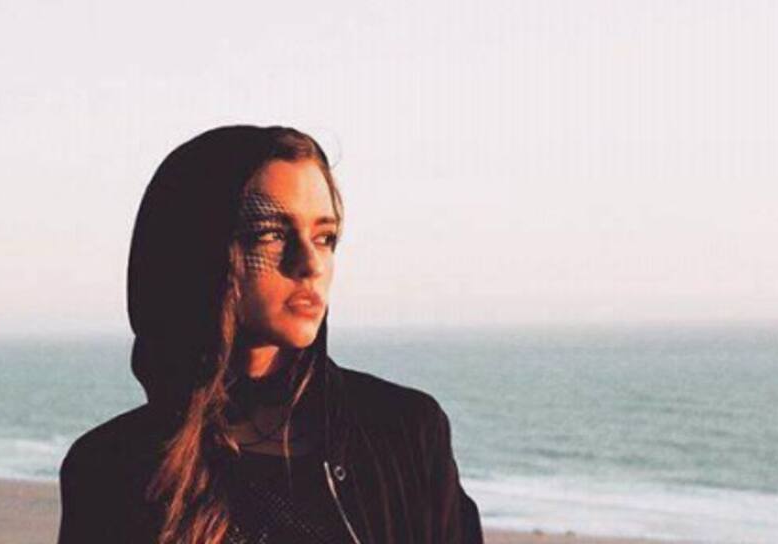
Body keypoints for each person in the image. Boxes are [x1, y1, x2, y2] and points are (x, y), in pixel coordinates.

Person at [57, 125, 483, 544]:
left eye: (325, 237)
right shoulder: (109, 467)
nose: (310, 264)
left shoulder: (404, 432)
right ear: (196, 251)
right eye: (271, 234)